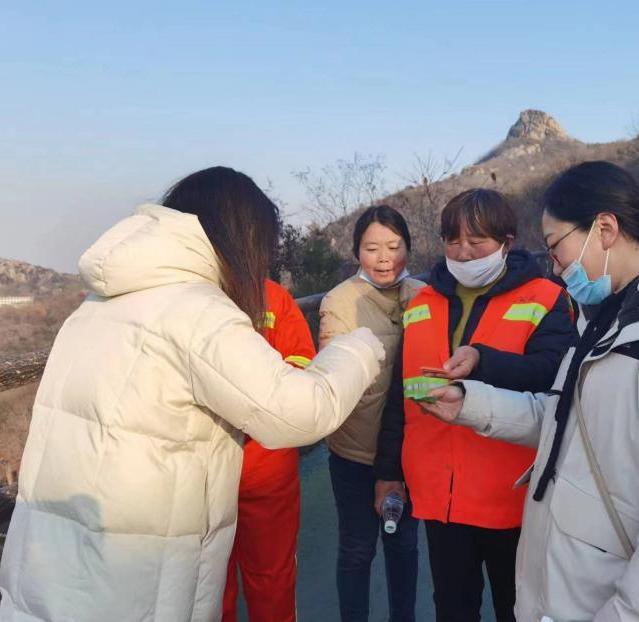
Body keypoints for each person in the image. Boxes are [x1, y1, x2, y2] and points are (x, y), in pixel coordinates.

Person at [0, 166, 385, 622]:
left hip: (60, 559)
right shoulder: (196, 309)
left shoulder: (96, 305)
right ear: (240, 237)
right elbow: (300, 410)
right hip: (138, 561)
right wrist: (359, 347)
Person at [420, 161, 639, 621]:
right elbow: (570, 421)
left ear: (605, 230)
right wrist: (472, 404)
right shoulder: (611, 320)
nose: (556, 266)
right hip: (579, 594)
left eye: (556, 246)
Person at [374, 189, 576, 622]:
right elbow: (399, 396)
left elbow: (554, 374)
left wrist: (484, 361)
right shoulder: (421, 304)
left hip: (513, 496)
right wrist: (388, 473)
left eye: (477, 242)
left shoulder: (546, 297)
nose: (463, 253)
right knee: (452, 609)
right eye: (453, 241)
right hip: (440, 497)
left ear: (506, 242)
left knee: (518, 608)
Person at [318, 205, 424, 622]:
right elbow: (332, 369)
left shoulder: (424, 295)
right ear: (356, 251)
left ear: (408, 248)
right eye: (372, 248)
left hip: (407, 450)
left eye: (394, 247)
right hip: (354, 452)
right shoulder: (339, 301)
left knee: (404, 546)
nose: (384, 259)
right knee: (357, 549)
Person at [222, 279, 317, 622]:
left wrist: (249, 399)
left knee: (271, 579)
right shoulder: (184, 292)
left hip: (266, 465)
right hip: (204, 468)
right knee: (209, 585)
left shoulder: (273, 297)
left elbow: (302, 363)